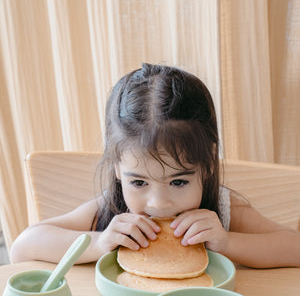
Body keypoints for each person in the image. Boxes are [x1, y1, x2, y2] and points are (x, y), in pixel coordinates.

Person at [10, 63, 300, 268]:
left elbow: (295, 248)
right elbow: (23, 247)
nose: (159, 204)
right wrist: (99, 243)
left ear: (208, 165)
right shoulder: (109, 210)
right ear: (116, 168)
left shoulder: (223, 211)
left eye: (178, 182)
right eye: (138, 183)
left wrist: (227, 243)